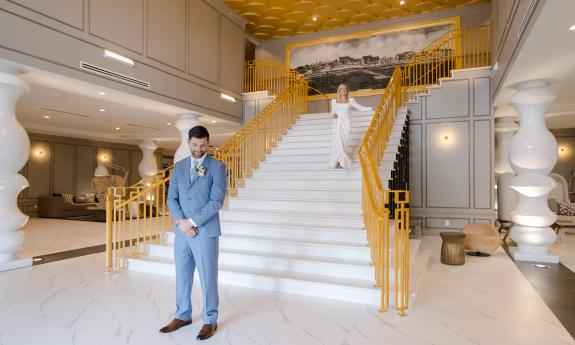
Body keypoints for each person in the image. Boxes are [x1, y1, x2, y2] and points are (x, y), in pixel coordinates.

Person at [160, 125, 226, 341]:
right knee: (182, 275)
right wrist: (181, 223)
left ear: (208, 143)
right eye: (195, 144)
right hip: (182, 232)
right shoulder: (178, 167)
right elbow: (172, 198)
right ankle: (182, 315)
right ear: (188, 143)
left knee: (207, 277)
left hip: (204, 231)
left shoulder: (217, 167)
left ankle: (210, 319)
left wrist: (191, 222)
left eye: (203, 144)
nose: (198, 149)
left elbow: (216, 201)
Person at [330, 84, 373, 169]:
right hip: (338, 124)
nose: (343, 90)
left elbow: (360, 107)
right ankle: (338, 162)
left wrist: (370, 109)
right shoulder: (334, 101)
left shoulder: (351, 100)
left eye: (345, 89)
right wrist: (333, 115)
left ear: (347, 91)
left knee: (344, 143)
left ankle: (342, 162)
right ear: (339, 91)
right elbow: (333, 112)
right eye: (341, 89)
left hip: (347, 124)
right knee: (338, 143)